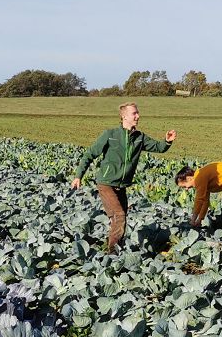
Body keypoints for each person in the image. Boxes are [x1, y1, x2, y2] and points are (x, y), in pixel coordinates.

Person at [71, 102, 176, 254]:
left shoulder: (140, 137)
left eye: (137, 113)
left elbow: (158, 147)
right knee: (119, 216)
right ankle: (112, 253)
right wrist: (78, 176)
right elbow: (90, 155)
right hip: (106, 183)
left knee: (120, 218)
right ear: (124, 116)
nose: (138, 116)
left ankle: (113, 247)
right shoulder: (110, 135)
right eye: (134, 113)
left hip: (122, 186)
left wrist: (167, 141)